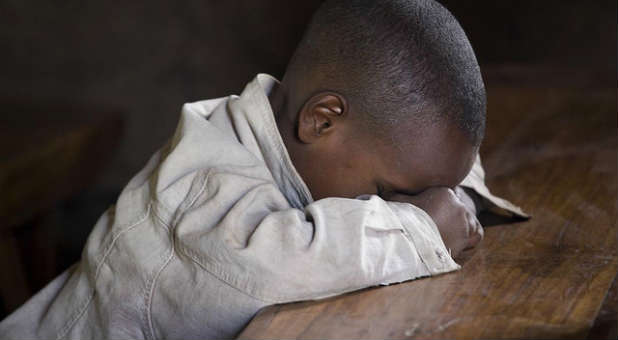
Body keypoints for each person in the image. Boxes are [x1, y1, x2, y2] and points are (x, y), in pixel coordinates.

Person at [0, 0, 527, 339]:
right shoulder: (206, 195)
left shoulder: (330, 143)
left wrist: (451, 200)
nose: (398, 207)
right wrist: (421, 228)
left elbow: (424, 169)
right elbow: (275, 264)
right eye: (392, 193)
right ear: (322, 120)